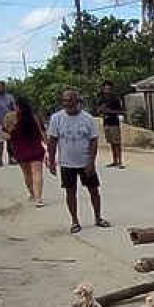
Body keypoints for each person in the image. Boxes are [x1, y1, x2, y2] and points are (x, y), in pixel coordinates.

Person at [46, 89, 108, 233]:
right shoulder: (56, 118)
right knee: (70, 192)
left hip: (85, 162)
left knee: (94, 191)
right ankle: (75, 221)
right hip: (67, 163)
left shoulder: (87, 118)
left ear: (77, 101)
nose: (67, 104)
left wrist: (91, 162)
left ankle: (98, 218)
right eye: (64, 101)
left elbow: (93, 140)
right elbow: (52, 140)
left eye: (70, 100)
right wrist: (51, 160)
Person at [5, 95, 47, 207]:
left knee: (27, 174)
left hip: (21, 150)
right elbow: (41, 132)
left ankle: (32, 194)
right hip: (36, 149)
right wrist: (48, 146)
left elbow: (8, 135)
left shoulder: (12, 118)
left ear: (17, 106)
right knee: (37, 173)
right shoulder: (34, 117)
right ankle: (39, 199)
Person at [94, 80, 125, 168]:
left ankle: (120, 161)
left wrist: (110, 111)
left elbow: (121, 111)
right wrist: (101, 110)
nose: (107, 90)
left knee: (117, 142)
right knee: (111, 142)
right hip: (106, 123)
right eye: (105, 88)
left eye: (109, 88)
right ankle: (114, 160)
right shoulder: (101, 98)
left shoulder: (115, 99)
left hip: (114, 122)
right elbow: (97, 110)